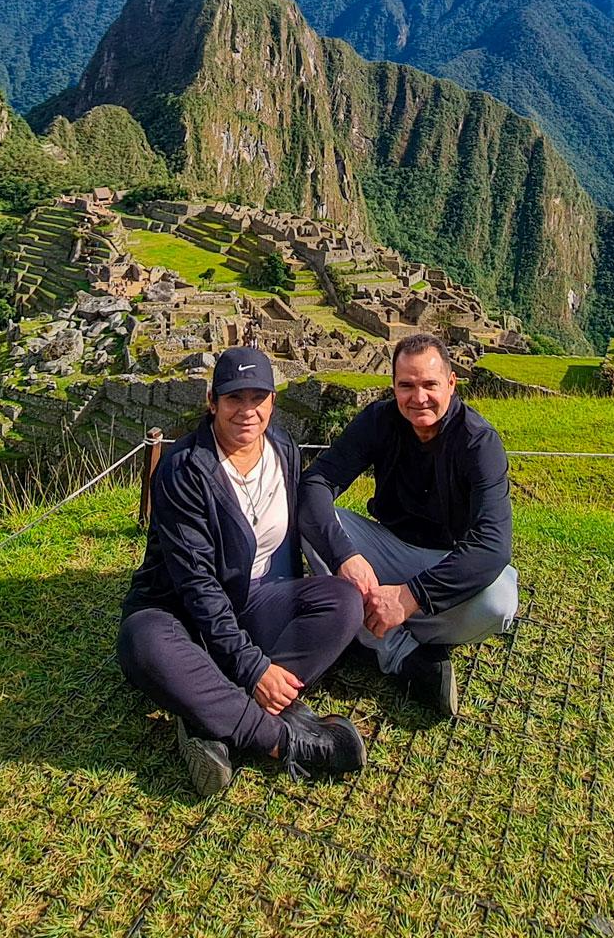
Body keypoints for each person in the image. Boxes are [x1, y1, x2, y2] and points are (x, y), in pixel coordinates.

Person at [117, 346, 366, 797]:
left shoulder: (284, 450)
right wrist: (253, 670)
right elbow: (198, 588)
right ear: (213, 401)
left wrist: (339, 562)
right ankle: (283, 739)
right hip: (178, 614)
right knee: (143, 643)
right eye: (235, 398)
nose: (247, 411)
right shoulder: (184, 471)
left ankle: (206, 715)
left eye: (258, 397)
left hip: (251, 603)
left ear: (273, 401)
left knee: (343, 602)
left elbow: (289, 547)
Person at [300, 332, 519, 718]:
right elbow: (317, 483)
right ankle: (401, 653)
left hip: (448, 558)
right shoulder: (379, 421)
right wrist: (346, 556)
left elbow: (492, 547)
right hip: (386, 546)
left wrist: (407, 597)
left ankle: (360, 623)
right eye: (407, 386)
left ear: (451, 383)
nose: (419, 398)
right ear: (394, 387)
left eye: (430, 384)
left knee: (499, 601)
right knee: (313, 521)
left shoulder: (479, 443)